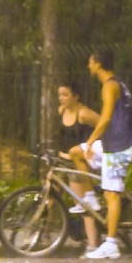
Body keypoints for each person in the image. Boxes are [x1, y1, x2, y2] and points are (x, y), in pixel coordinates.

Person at [75, 50, 132, 260]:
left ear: (98, 63)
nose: (88, 66)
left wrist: (92, 141)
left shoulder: (109, 86)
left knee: (111, 194)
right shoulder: (117, 84)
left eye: (90, 62)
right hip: (115, 141)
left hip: (118, 146)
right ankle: (90, 199)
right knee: (77, 153)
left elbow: (106, 118)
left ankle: (111, 244)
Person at [56, 82, 102, 253]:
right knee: (48, 198)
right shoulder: (61, 111)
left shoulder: (83, 113)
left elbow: (103, 124)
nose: (61, 98)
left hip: (76, 163)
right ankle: (41, 233)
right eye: (60, 94)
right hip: (61, 161)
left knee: (82, 204)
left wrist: (90, 146)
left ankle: (92, 243)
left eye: (65, 95)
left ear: (76, 97)